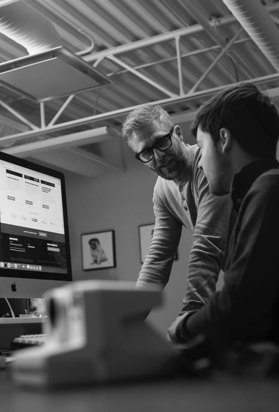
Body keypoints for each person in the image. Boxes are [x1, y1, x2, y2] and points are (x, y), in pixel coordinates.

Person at [167, 82, 279, 352]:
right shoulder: (262, 190)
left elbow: (237, 302)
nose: (202, 162)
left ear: (224, 140)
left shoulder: (267, 192)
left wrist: (184, 327)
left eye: (203, 148)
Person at [122, 104, 235, 323]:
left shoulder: (208, 163)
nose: (158, 156)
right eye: (146, 152)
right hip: (247, 276)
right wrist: (128, 321)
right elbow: (157, 260)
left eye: (161, 142)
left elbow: (207, 247)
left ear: (178, 133)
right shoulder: (162, 190)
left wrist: (189, 318)